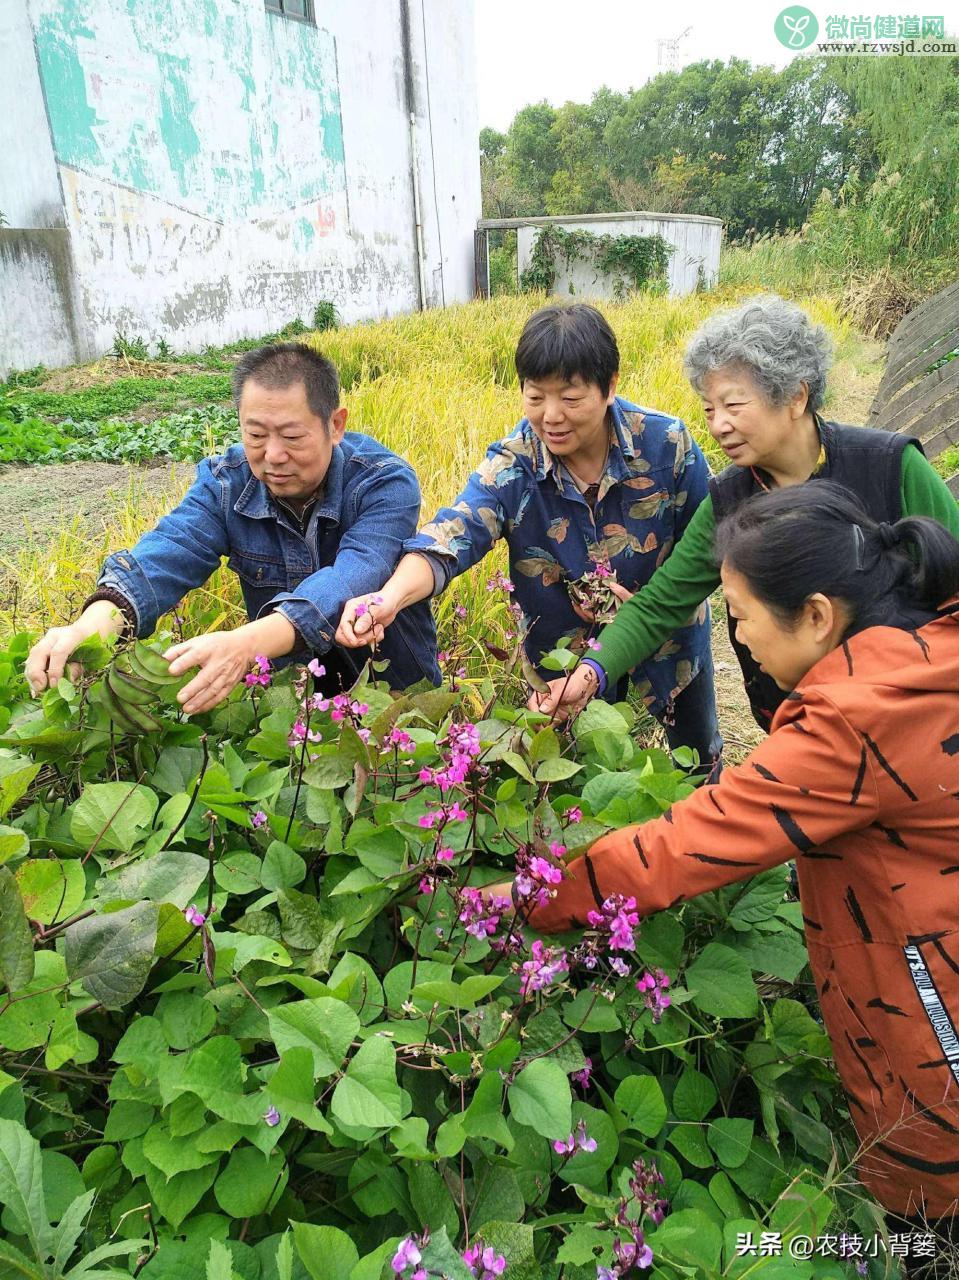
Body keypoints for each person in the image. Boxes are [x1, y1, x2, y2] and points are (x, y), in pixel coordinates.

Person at [492, 483, 959, 1259]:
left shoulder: (853, 719)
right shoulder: (926, 653)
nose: (737, 637)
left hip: (927, 992)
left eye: (738, 617)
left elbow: (685, 843)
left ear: (815, 615)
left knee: (927, 1186)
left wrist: (532, 894)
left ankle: (891, 1254)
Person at [535, 294, 959, 730]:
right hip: (800, 726)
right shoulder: (728, 500)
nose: (718, 425)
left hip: (914, 720)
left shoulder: (890, 466)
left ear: (796, 395)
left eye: (734, 406)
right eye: (709, 409)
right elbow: (661, 603)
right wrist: (590, 674)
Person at [336, 303, 722, 770]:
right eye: (535, 397)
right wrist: (389, 599)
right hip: (561, 667)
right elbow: (450, 534)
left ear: (610, 385)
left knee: (696, 760)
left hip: (668, 647)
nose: (551, 416)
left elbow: (710, 550)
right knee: (578, 778)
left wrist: (645, 602)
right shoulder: (514, 466)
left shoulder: (668, 446)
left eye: (571, 398)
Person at [25, 343, 440, 708]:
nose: (272, 455)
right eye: (255, 435)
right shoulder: (226, 483)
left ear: (334, 425)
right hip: (290, 701)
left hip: (396, 693)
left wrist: (244, 645)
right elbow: (168, 553)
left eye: (291, 437)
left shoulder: (384, 482)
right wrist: (92, 627)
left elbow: (353, 576)